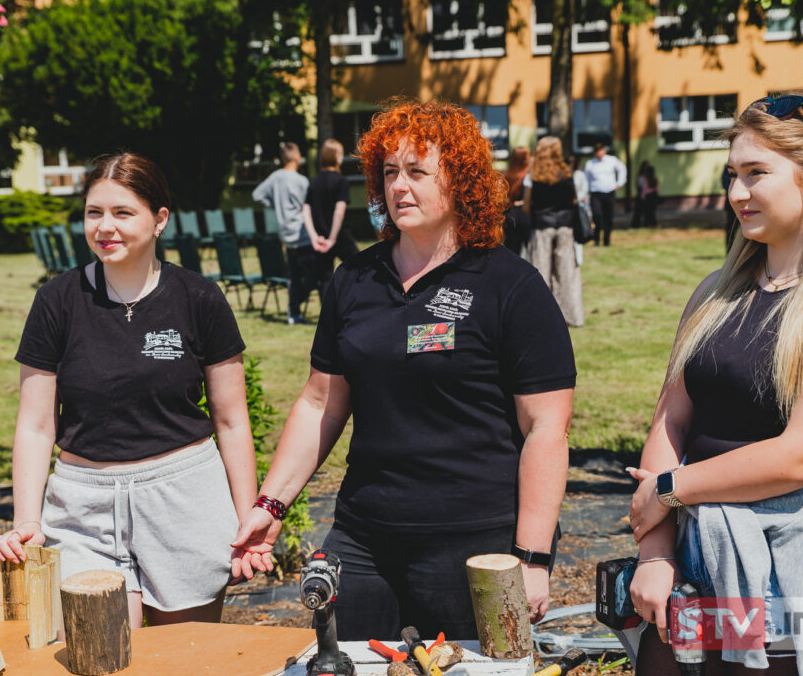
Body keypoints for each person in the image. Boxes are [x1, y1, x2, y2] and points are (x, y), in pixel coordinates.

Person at [232, 101, 576, 641]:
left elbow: (547, 429)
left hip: (476, 539)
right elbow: (320, 402)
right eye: (390, 173)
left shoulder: (509, 284)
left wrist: (531, 558)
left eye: (417, 172)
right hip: (366, 538)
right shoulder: (356, 279)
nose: (399, 188)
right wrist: (270, 503)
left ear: (459, 181)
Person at [626, 93, 803, 675]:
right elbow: (672, 419)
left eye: (756, 174)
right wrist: (657, 551)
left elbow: (800, 459)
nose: (737, 194)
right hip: (696, 554)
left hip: (801, 571)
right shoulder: (715, 292)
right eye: (732, 175)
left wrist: (669, 488)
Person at [0, 152, 262, 628]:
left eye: (122, 212)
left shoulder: (199, 299)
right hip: (82, 509)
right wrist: (28, 521)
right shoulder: (57, 301)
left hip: (183, 500)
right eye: (94, 213)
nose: (104, 227)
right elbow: (34, 426)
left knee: (184, 660)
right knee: (106, 656)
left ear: (159, 220)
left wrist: (248, 523)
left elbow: (232, 421)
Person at [523, 137, 584, 327]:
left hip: (542, 226)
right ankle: (572, 316)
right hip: (565, 227)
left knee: (541, 271)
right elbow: (574, 201)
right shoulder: (567, 173)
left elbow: (526, 206)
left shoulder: (533, 175)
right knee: (567, 273)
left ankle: (541, 316)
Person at [253, 142, 313, 324]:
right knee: (312, 275)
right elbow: (308, 206)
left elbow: (257, 194)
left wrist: (275, 205)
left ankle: (293, 313)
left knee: (293, 276)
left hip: (286, 234)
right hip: (302, 232)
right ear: (297, 157)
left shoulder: (275, 177)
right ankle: (295, 304)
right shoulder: (302, 181)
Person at [304, 139, 360, 295]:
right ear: (336, 157)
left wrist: (314, 237)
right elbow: (339, 210)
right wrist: (333, 238)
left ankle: (328, 315)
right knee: (361, 267)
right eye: (341, 154)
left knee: (325, 278)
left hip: (321, 238)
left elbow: (305, 209)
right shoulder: (340, 180)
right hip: (339, 235)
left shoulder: (314, 181)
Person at [584, 142, 626, 246]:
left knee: (608, 217)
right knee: (597, 216)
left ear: (604, 151)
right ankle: (596, 239)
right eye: (597, 152)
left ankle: (607, 240)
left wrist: (620, 183)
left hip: (609, 192)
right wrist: (586, 193)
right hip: (596, 193)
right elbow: (586, 179)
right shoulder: (590, 164)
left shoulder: (612, 160)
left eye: (600, 151)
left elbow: (622, 169)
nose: (599, 154)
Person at [503, 145, 532, 256]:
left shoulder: (507, 175)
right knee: (529, 252)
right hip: (525, 214)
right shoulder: (528, 175)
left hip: (509, 215)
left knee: (512, 253)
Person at [569, 154, 590, 266]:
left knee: (578, 231)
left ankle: (578, 258)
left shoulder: (580, 175)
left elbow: (584, 189)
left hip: (578, 206)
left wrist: (577, 199)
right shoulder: (566, 174)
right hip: (568, 208)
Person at [635, 161, 660, 228]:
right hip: (653, 196)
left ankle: (647, 223)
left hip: (647, 196)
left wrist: (642, 196)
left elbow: (645, 189)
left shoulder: (646, 179)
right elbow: (657, 188)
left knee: (647, 211)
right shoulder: (654, 178)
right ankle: (653, 224)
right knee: (651, 211)